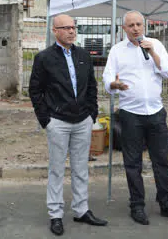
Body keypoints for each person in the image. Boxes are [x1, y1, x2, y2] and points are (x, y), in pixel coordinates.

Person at [103, 11, 168, 225]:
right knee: (133, 163)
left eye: (139, 24)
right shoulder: (117, 51)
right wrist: (115, 84)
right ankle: (137, 205)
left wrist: (154, 54)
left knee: (161, 160)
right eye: (131, 25)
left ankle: (166, 202)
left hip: (156, 113)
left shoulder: (155, 44)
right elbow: (107, 78)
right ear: (124, 29)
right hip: (131, 114)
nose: (135, 28)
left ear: (144, 25)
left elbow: (167, 72)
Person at [29, 14, 107, 236]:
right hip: (58, 122)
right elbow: (35, 91)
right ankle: (55, 214)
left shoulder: (83, 55)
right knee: (56, 169)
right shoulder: (44, 58)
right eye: (66, 28)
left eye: (74, 27)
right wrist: (46, 120)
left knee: (81, 168)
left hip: (83, 121)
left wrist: (92, 113)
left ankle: (81, 210)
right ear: (55, 31)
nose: (72, 31)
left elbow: (91, 86)